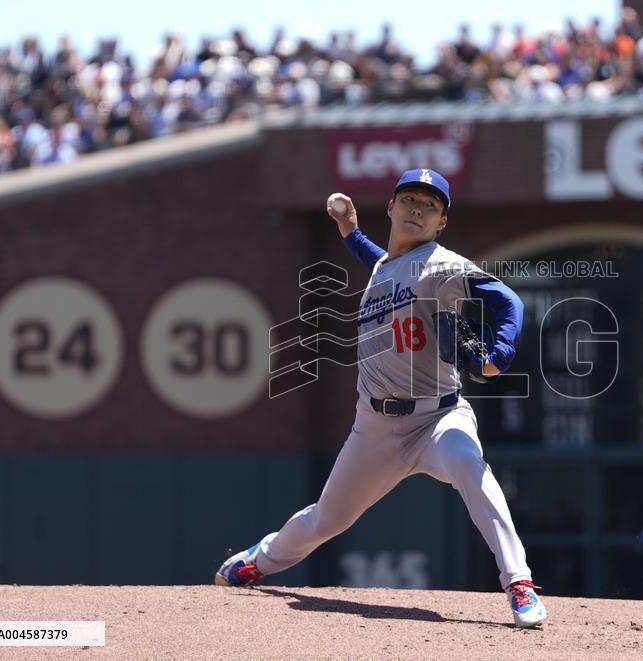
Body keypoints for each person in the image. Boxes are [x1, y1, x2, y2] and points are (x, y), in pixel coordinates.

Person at [215, 168, 546, 628]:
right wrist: (350, 232)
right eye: (409, 198)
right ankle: (261, 559)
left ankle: (519, 584)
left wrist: (498, 356)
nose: (417, 208)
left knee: (472, 469)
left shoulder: (441, 264)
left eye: (430, 205)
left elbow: (509, 300)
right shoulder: (386, 266)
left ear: (441, 223)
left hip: (439, 417)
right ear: (390, 207)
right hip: (374, 428)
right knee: (326, 521)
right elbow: (381, 261)